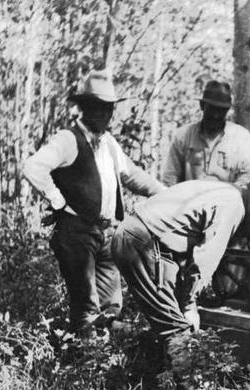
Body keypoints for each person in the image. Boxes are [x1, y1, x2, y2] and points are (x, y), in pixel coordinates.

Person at [23, 69, 167, 339]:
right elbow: (33, 167)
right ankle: (83, 358)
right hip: (77, 234)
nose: (103, 114)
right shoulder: (68, 140)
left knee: (111, 309)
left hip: (107, 234)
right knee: (86, 311)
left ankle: (106, 358)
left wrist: (168, 194)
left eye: (108, 108)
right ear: (84, 107)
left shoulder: (109, 143)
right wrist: (57, 200)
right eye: (96, 107)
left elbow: (132, 175)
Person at [111, 178, 250, 344]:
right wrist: (190, 305)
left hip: (138, 237)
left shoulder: (227, 191)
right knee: (177, 330)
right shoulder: (234, 205)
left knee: (169, 316)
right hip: (142, 242)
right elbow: (206, 257)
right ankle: (187, 365)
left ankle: (137, 346)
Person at [160, 80, 250, 188]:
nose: (216, 115)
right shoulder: (183, 136)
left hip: (228, 197)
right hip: (190, 197)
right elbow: (171, 178)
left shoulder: (241, 138)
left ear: (227, 110)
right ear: (202, 105)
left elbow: (247, 179)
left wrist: (228, 194)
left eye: (221, 110)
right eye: (212, 109)